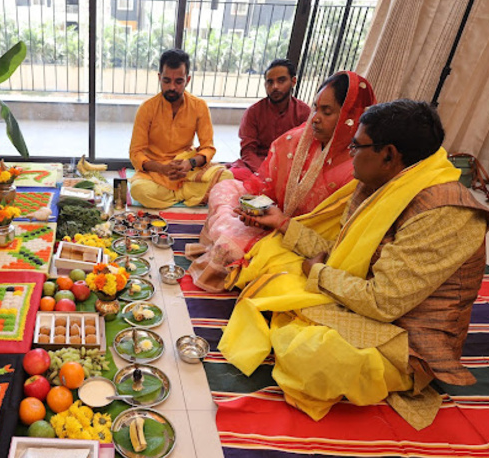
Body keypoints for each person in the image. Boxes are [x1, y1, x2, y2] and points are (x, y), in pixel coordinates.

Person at [219, 100, 489, 427]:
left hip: (403, 336)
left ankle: (308, 328)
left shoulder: (444, 214)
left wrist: (318, 273)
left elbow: (383, 302)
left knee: (312, 357)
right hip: (357, 296)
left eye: (357, 145)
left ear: (389, 154)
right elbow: (338, 252)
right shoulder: (380, 182)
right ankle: (299, 316)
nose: (350, 153)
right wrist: (282, 223)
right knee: (269, 258)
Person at [186, 71, 376, 292]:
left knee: (231, 250)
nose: (315, 118)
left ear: (351, 116)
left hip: (301, 243)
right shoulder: (294, 139)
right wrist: (258, 212)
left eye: (327, 111)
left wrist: (282, 223)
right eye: (316, 108)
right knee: (224, 186)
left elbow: (336, 246)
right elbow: (262, 181)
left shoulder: (359, 171)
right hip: (274, 216)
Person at [129, 48, 233, 208]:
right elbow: (136, 153)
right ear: (159, 78)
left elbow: (208, 148)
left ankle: (174, 195)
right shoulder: (147, 108)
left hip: (186, 170)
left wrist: (189, 163)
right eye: (166, 81)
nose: (172, 87)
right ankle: (187, 194)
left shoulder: (199, 106)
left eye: (178, 81)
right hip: (156, 172)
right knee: (138, 190)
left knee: (226, 176)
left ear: (188, 80)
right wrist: (162, 168)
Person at [229, 59, 311, 180]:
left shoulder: (304, 112)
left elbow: (308, 150)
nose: (275, 87)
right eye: (270, 82)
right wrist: (264, 173)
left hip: (290, 169)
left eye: (281, 80)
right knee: (229, 177)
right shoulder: (253, 112)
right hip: (257, 167)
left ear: (293, 81)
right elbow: (248, 152)